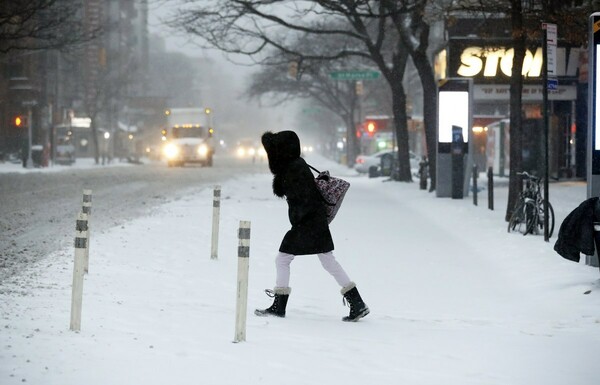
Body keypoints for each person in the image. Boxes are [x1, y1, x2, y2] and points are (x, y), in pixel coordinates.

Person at [255, 130, 369, 322]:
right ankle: (357, 303)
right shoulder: (296, 165)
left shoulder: (294, 169)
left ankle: (279, 306)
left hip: (306, 223)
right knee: (328, 261)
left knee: (282, 259)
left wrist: (299, 221)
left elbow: (304, 199)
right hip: (314, 222)